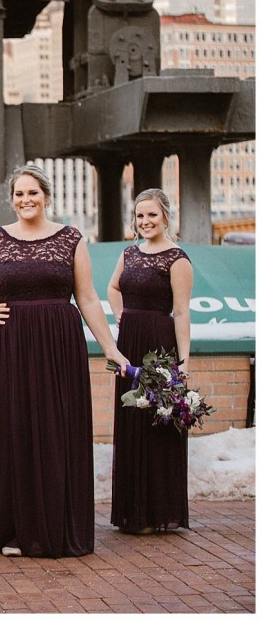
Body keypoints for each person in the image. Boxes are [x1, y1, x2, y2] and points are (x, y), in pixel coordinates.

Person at [0, 165, 129, 558]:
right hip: (11, 344)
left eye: (33, 193)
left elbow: (89, 298)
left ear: (46, 196)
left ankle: (57, 528)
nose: (26, 200)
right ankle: (15, 530)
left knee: (57, 429)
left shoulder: (70, 238)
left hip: (61, 345)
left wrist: (109, 346)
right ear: (11, 199)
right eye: (19, 194)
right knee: (17, 429)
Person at [107, 188, 193, 534]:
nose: (145, 222)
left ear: (166, 217)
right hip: (129, 343)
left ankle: (158, 511)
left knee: (156, 424)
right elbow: (113, 288)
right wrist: (121, 318)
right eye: (140, 216)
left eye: (152, 215)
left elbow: (182, 311)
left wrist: (184, 362)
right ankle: (132, 512)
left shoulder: (178, 259)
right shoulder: (128, 254)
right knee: (130, 420)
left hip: (160, 343)